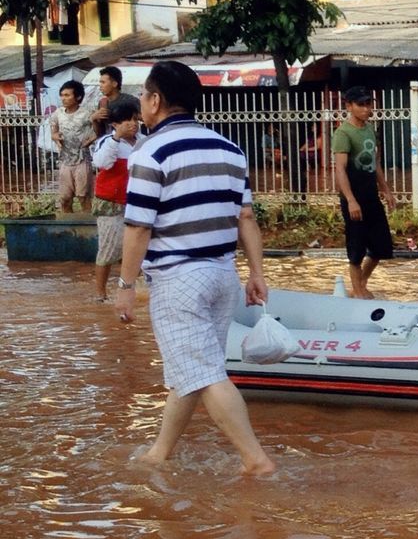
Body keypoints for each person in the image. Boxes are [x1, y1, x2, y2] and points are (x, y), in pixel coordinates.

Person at [115, 60, 275, 475]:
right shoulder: (230, 149)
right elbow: (247, 219)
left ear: (154, 100)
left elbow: (137, 227)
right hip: (223, 275)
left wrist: (126, 284)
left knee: (202, 371)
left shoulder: (149, 152)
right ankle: (159, 453)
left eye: (144, 98)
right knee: (195, 366)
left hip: (178, 278)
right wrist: (257, 274)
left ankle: (255, 459)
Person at [332, 85, 398, 299]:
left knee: (382, 247)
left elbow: (376, 163)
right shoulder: (343, 133)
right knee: (356, 247)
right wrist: (351, 200)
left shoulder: (370, 129)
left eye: (369, 104)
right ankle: (358, 291)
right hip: (354, 197)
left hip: (371, 196)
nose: (366, 108)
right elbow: (340, 169)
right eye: (361, 104)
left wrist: (386, 190)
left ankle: (360, 283)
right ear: (349, 106)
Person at [90, 94, 143, 301]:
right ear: (114, 124)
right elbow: (102, 163)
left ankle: (131, 289)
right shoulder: (107, 142)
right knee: (108, 249)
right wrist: (115, 138)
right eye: (127, 121)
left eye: (135, 119)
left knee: (137, 248)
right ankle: (100, 294)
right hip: (111, 204)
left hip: (136, 203)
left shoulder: (144, 142)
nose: (133, 125)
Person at [50, 79, 95, 212]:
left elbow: (100, 131)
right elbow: (53, 133)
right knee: (65, 199)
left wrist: (90, 140)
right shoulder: (58, 113)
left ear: (78, 97)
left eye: (67, 95)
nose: (63, 99)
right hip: (65, 160)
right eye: (62, 95)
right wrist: (56, 136)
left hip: (82, 160)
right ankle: (68, 227)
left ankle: (87, 228)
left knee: (83, 197)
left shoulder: (87, 113)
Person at [91, 65, 123, 137]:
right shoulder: (103, 103)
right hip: (109, 144)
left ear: (114, 84)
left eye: (103, 82)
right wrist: (94, 119)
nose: (100, 86)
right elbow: (99, 133)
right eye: (100, 83)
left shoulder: (129, 101)